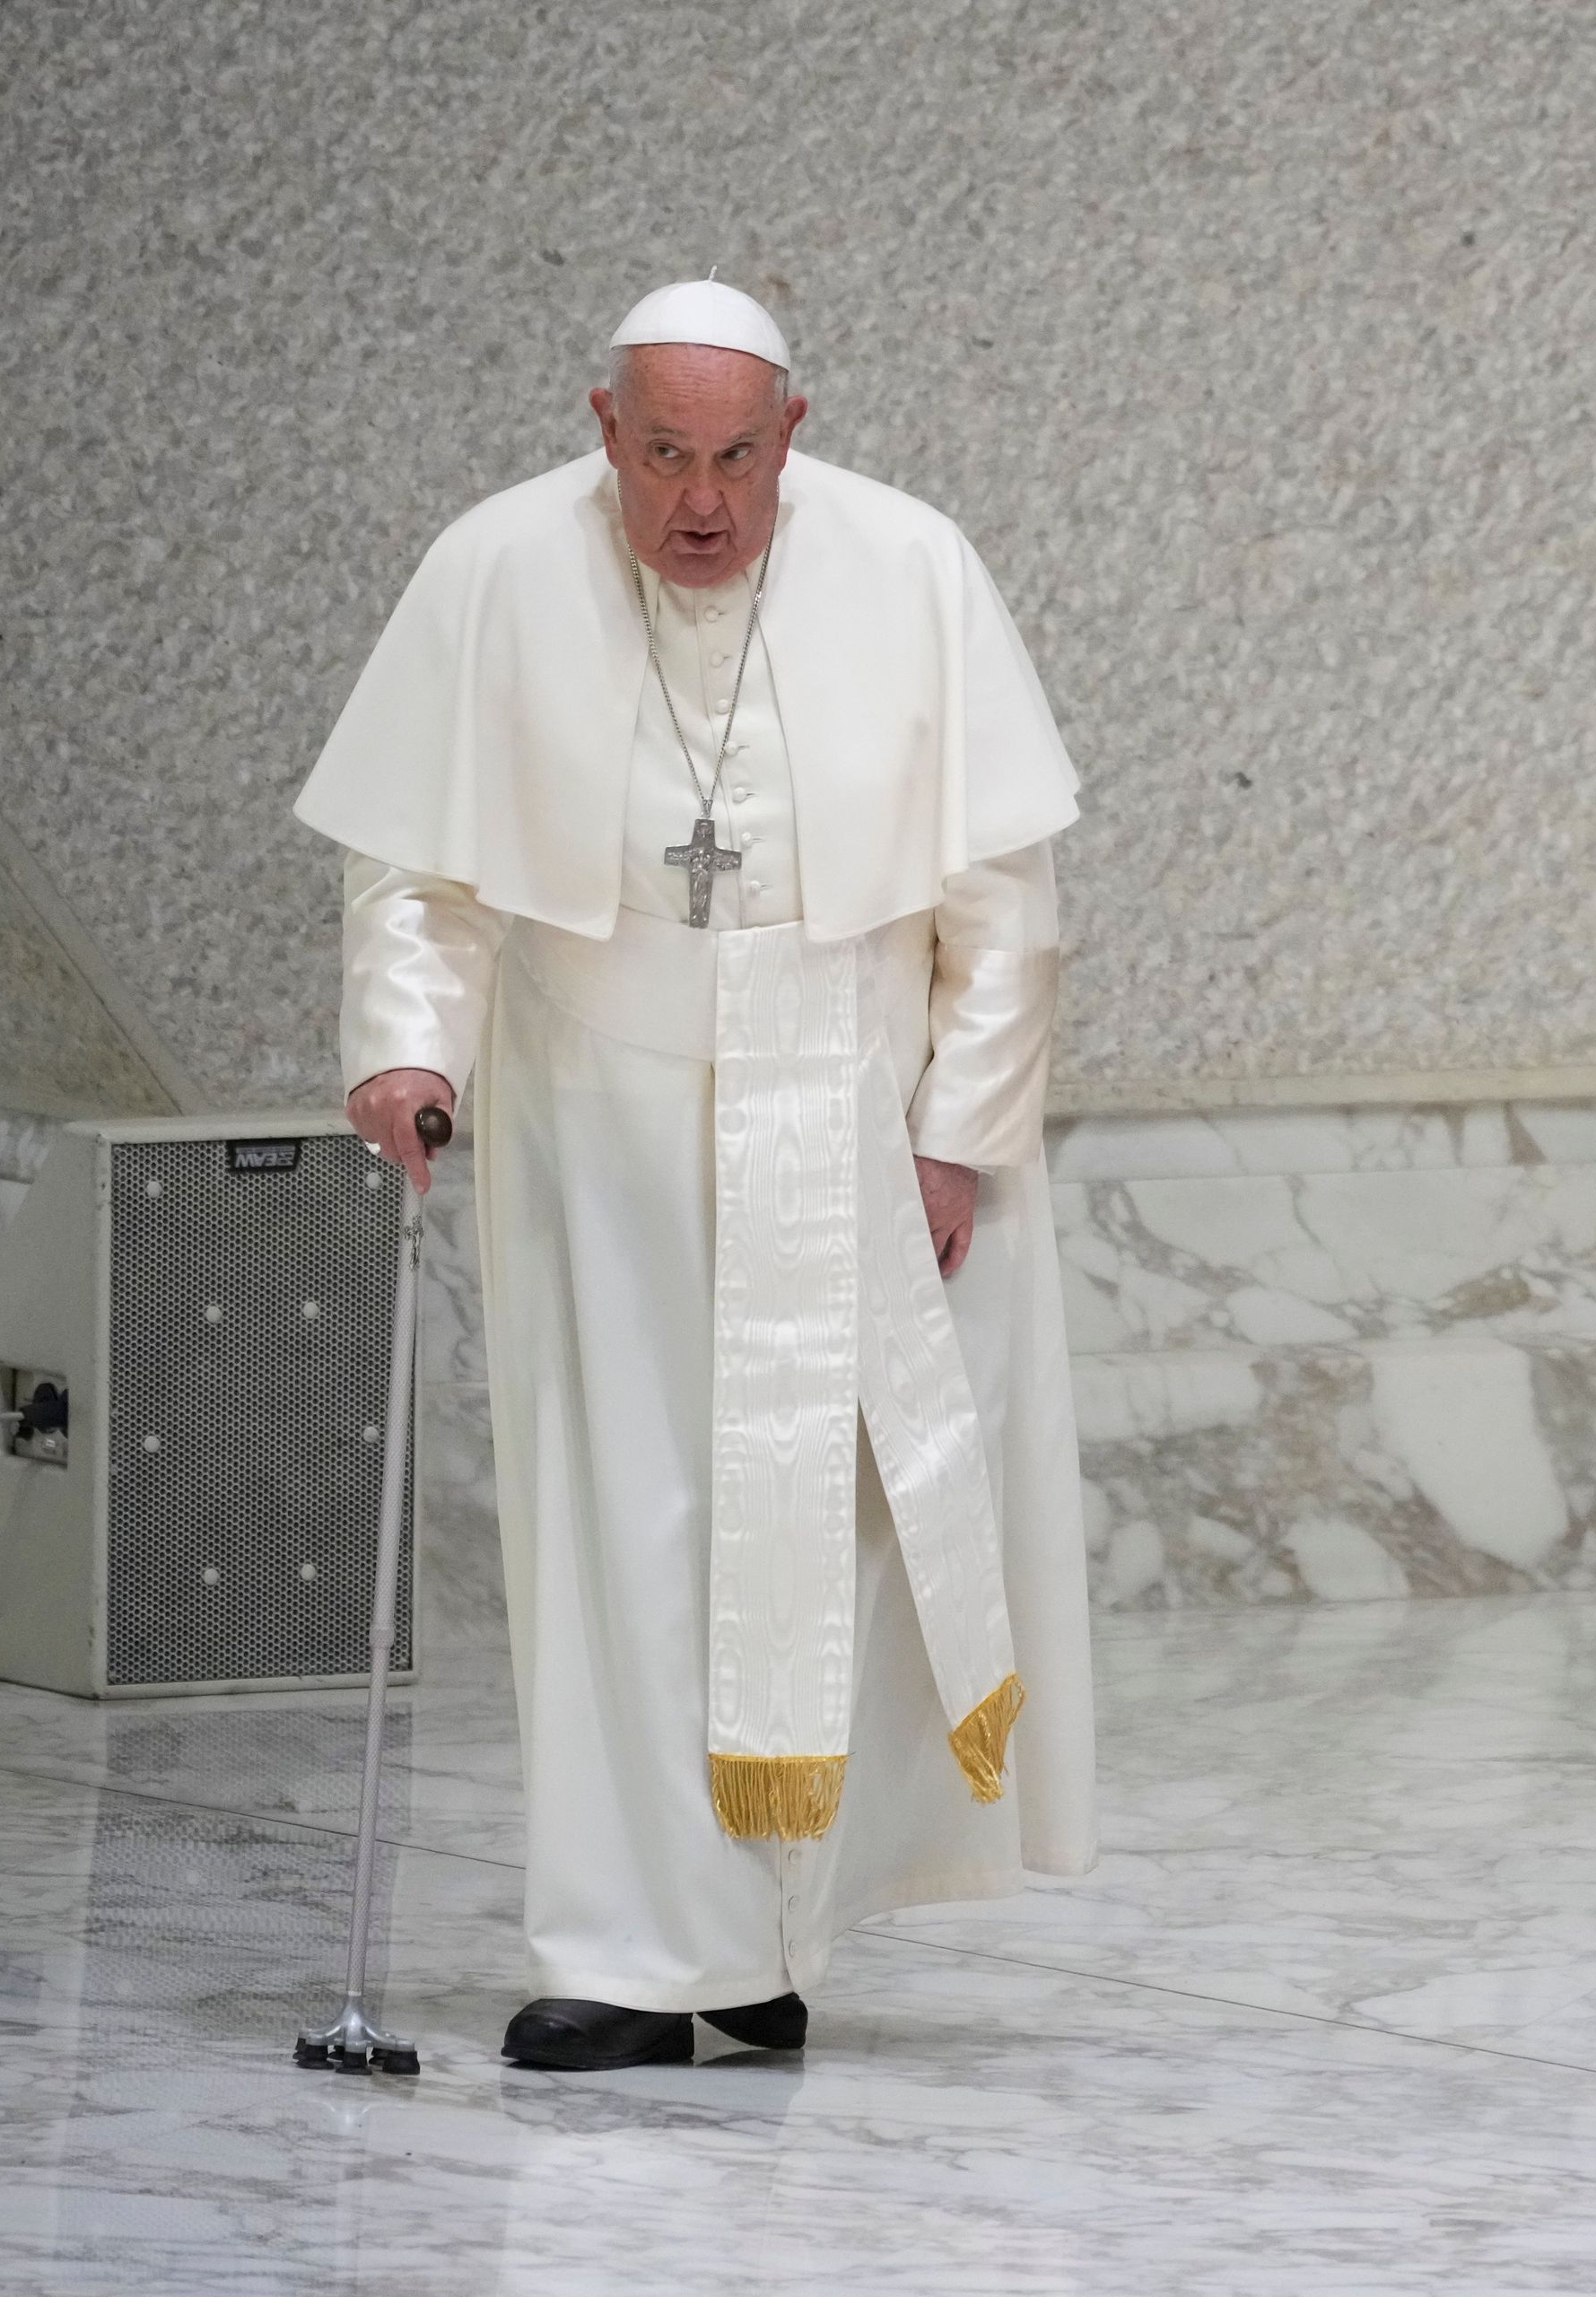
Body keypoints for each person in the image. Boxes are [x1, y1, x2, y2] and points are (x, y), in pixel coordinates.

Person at [298, 280, 1095, 2072]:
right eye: (663, 455)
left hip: (851, 1107)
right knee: (616, 1525)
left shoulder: (912, 570)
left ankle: (763, 1939)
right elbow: (415, 868)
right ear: (604, 427)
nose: (702, 503)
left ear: (791, 435)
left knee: (820, 1529)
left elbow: (1005, 904)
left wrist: (958, 1135)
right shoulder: (498, 572)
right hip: (597, 1119)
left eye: (736, 456)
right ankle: (628, 1950)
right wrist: (408, 1041)